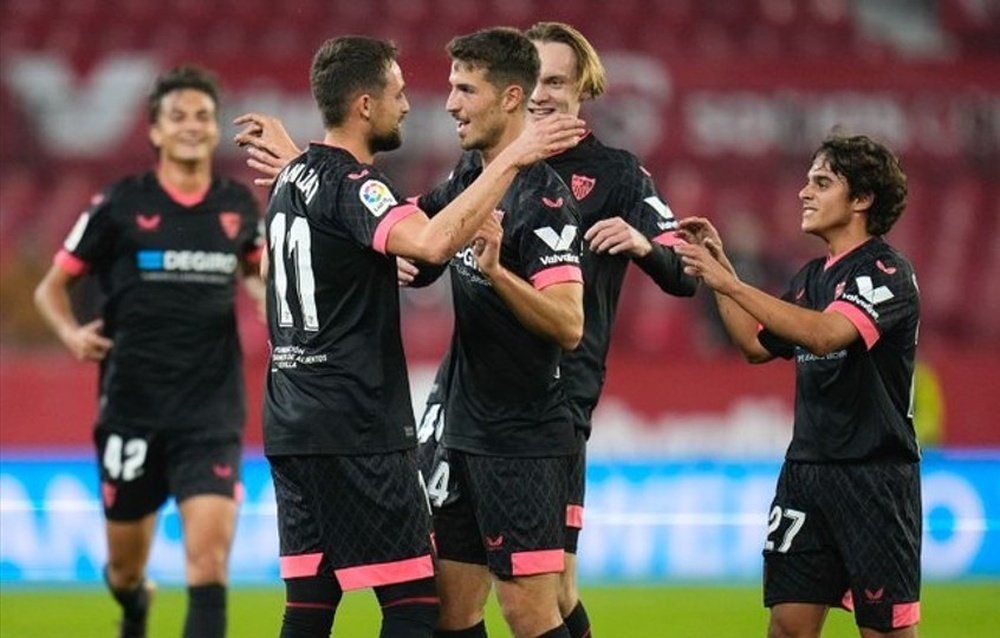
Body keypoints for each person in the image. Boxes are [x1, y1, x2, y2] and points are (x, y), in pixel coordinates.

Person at [234, 23, 698, 638]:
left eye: (554, 81)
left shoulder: (588, 182)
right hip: (455, 418)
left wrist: (628, 248)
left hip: (532, 418)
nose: (445, 102)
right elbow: (405, 237)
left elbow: (574, 320)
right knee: (447, 606)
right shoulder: (470, 179)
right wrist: (308, 165)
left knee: (536, 602)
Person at [256, 35, 584, 638]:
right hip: (359, 426)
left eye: (463, 89)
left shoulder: (293, 180)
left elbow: (569, 323)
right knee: (413, 604)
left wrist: (300, 168)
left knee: (311, 602)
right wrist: (512, 160)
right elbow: (428, 241)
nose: (420, 105)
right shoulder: (364, 185)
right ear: (363, 105)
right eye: (399, 93)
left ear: (508, 98)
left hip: (294, 421)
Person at [33, 65, 264, 638]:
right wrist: (71, 334)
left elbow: (257, 273)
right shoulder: (119, 204)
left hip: (211, 413)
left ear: (215, 131)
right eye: (178, 117)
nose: (192, 126)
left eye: (203, 116)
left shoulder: (237, 205)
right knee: (123, 569)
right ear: (156, 133)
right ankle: (135, 606)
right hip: (132, 409)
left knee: (208, 564)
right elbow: (50, 288)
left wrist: (269, 301)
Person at [674, 134, 921, 638]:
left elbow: (828, 335)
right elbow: (753, 344)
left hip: (873, 478)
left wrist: (733, 285)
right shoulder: (811, 278)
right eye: (808, 180)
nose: (804, 192)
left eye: (822, 182)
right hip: (806, 474)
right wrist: (722, 268)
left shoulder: (886, 271)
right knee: (787, 627)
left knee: (885, 632)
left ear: (862, 200)